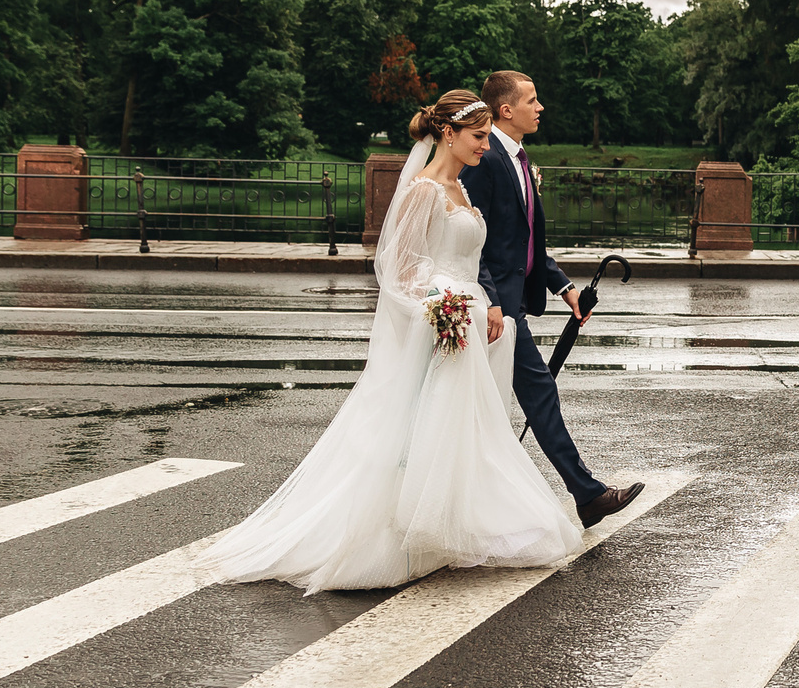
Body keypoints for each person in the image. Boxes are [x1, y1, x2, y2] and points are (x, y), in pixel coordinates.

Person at [192, 91, 583, 593]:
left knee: (463, 432)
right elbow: (401, 272)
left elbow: (469, 260)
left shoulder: (462, 189)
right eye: (479, 137)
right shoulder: (424, 192)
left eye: (488, 137)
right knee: (425, 432)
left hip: (469, 320)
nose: (486, 146)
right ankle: (402, 533)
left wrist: (486, 304)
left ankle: (458, 525)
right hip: (444, 325)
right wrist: (444, 308)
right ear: (449, 134)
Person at [463, 69, 643, 529]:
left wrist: (565, 288)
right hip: (493, 307)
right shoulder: (484, 159)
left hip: (509, 304)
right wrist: (491, 300)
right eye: (532, 100)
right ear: (507, 109)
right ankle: (587, 494)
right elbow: (470, 241)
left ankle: (583, 495)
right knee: (533, 393)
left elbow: (525, 242)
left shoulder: (520, 160)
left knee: (504, 399)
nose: (540, 107)